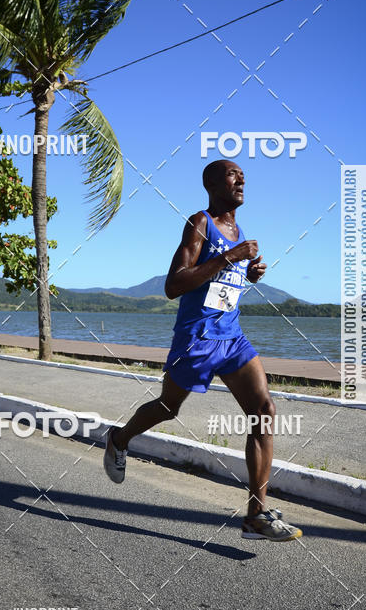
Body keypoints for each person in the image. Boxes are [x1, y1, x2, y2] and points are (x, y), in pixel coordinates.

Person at [103, 159, 302, 542]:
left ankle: (256, 515)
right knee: (167, 408)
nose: (241, 178)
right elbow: (174, 284)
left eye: (243, 174)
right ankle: (120, 438)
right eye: (232, 174)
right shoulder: (200, 223)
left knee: (264, 411)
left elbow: (221, 284)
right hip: (196, 339)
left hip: (231, 337)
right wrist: (230, 257)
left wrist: (248, 272)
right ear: (212, 184)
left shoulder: (237, 230)